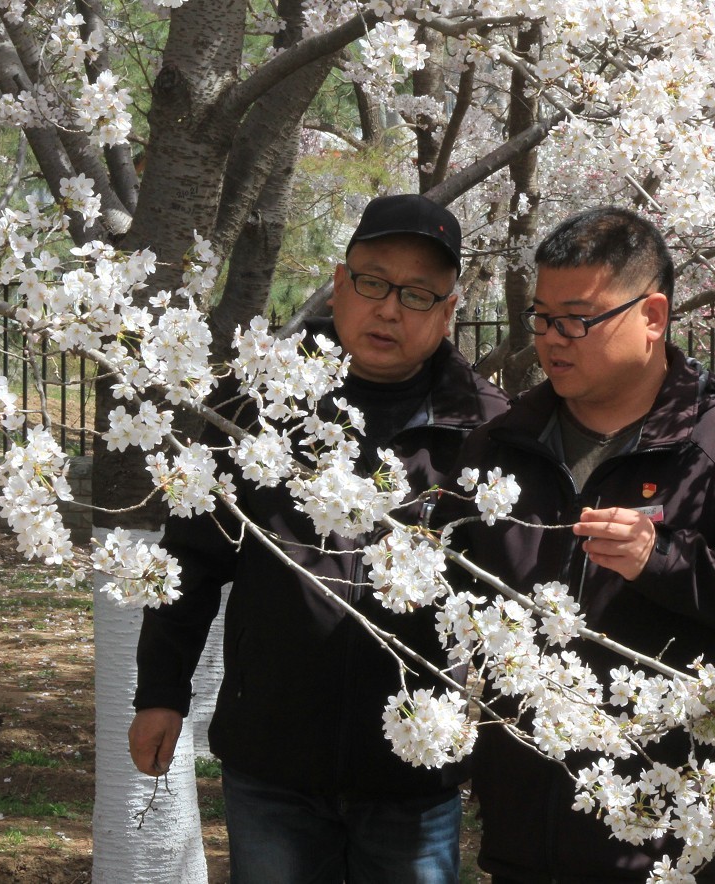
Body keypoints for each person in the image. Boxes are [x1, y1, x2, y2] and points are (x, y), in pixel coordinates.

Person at [128, 194, 510, 883]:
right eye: (374, 282)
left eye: (419, 294)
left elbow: (511, 601)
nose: (390, 308)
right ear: (340, 285)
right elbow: (189, 557)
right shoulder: (260, 405)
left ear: (449, 311)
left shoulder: (484, 430)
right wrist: (161, 691)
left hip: (414, 776)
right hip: (273, 759)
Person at [446, 207, 715, 882]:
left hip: (662, 840)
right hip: (522, 835)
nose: (551, 340)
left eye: (576, 319)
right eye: (541, 318)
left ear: (652, 316)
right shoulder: (505, 442)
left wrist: (664, 559)